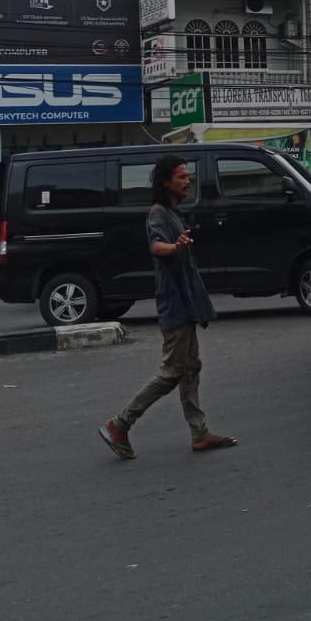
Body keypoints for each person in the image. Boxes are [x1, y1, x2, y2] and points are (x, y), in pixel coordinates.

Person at [98, 155, 237, 460]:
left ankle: (199, 433)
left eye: (187, 176)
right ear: (166, 182)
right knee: (173, 371)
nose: (187, 181)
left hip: (186, 302)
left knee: (190, 369)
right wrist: (175, 247)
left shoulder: (173, 213)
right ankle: (119, 424)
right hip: (174, 303)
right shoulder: (158, 214)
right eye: (181, 177)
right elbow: (156, 246)